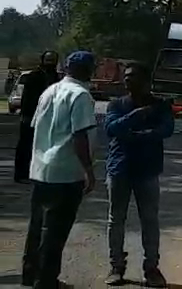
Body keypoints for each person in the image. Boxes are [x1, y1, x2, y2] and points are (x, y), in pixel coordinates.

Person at [22, 50, 98, 289]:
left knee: (37, 227)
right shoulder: (81, 95)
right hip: (65, 171)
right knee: (56, 230)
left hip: (41, 168)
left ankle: (30, 274)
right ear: (87, 70)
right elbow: (79, 135)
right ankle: (46, 280)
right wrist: (88, 169)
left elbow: (36, 126)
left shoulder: (50, 91)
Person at [103, 62, 173, 287]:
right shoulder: (117, 104)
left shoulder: (160, 106)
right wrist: (136, 116)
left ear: (146, 81)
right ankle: (116, 267)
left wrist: (139, 135)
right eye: (126, 76)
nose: (128, 80)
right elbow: (111, 129)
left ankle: (151, 268)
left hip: (148, 171)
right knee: (116, 220)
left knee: (150, 221)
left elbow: (167, 129)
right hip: (119, 169)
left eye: (133, 76)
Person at [15, 52, 61, 184]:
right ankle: (21, 174)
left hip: (49, 117)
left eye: (52, 60)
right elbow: (26, 98)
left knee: (45, 145)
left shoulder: (56, 78)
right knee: (25, 145)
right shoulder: (33, 76)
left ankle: (38, 173)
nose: (50, 62)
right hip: (30, 115)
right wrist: (24, 114)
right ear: (43, 60)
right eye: (48, 60)